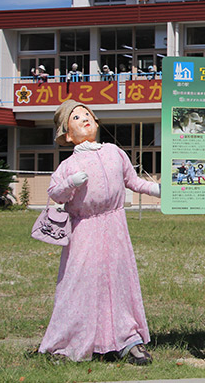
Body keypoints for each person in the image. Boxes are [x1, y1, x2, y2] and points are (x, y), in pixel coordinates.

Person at [39, 99, 160, 365]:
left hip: (116, 225)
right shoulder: (68, 165)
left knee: (119, 280)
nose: (84, 118)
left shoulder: (114, 152)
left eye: (87, 114)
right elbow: (55, 193)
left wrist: (157, 190)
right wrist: (71, 182)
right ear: (67, 134)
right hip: (84, 228)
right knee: (80, 282)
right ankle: (70, 342)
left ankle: (128, 340)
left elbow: (133, 181)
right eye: (76, 118)